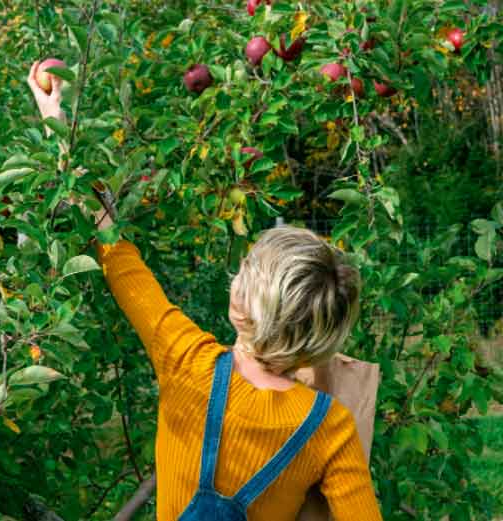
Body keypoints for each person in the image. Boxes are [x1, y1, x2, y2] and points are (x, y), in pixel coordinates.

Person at [27, 63, 383, 521]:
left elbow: (121, 263)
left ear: (240, 305)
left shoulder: (186, 362)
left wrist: (59, 122)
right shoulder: (329, 427)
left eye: (244, 272)